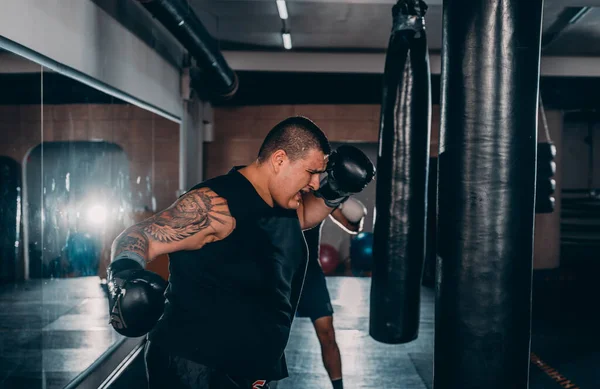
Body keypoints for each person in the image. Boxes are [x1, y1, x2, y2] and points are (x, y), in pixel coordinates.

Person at [105, 116, 375, 389]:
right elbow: (140, 235)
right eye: (311, 173)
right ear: (280, 160)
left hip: (251, 369)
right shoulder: (215, 204)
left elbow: (308, 214)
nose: (316, 183)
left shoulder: (284, 205)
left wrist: (338, 187)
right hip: (196, 369)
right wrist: (124, 276)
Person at [296, 197, 367, 389]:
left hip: (310, 275)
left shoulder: (319, 196)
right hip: (277, 274)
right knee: (269, 338)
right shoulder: (276, 192)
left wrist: (349, 209)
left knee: (327, 334)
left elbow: (353, 228)